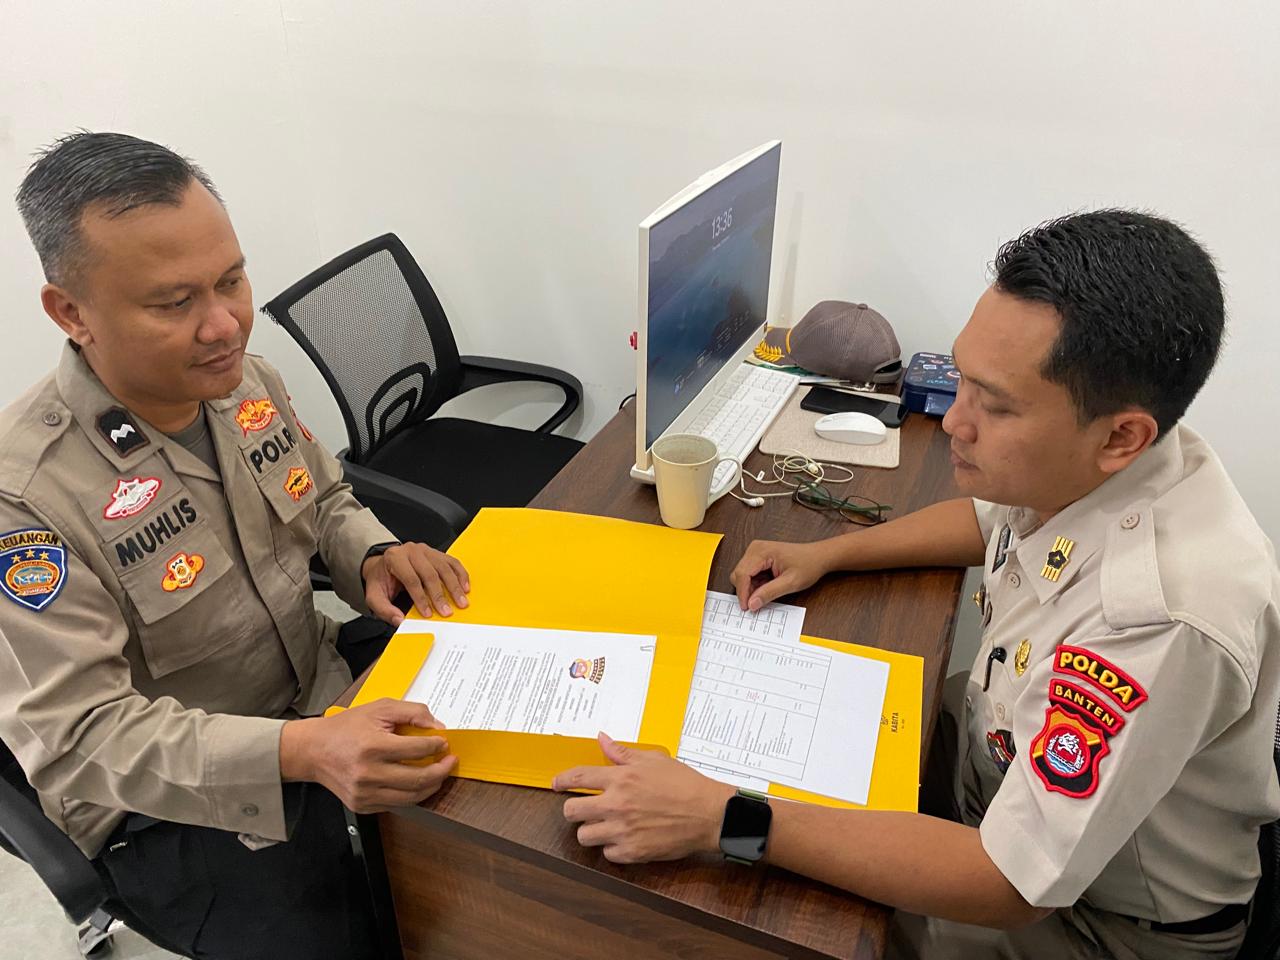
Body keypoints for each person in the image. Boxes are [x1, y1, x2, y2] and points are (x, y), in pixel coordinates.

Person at [552, 210, 1280, 959]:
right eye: (964, 379)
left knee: (757, 928)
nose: (955, 421)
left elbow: (1006, 883)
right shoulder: (1085, 459)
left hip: (1099, 927)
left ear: (1122, 436)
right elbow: (989, 518)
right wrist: (832, 554)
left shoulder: (1160, 616)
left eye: (995, 404)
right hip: (993, 780)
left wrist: (724, 819)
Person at [0, 132, 469, 960]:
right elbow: (82, 738)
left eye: (231, 281)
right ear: (71, 313)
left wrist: (370, 555)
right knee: (389, 931)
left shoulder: (243, 380)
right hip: (174, 805)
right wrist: (301, 750)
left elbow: (325, 497)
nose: (224, 326)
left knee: (496, 815)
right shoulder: (25, 501)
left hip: (317, 685)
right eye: (173, 303)